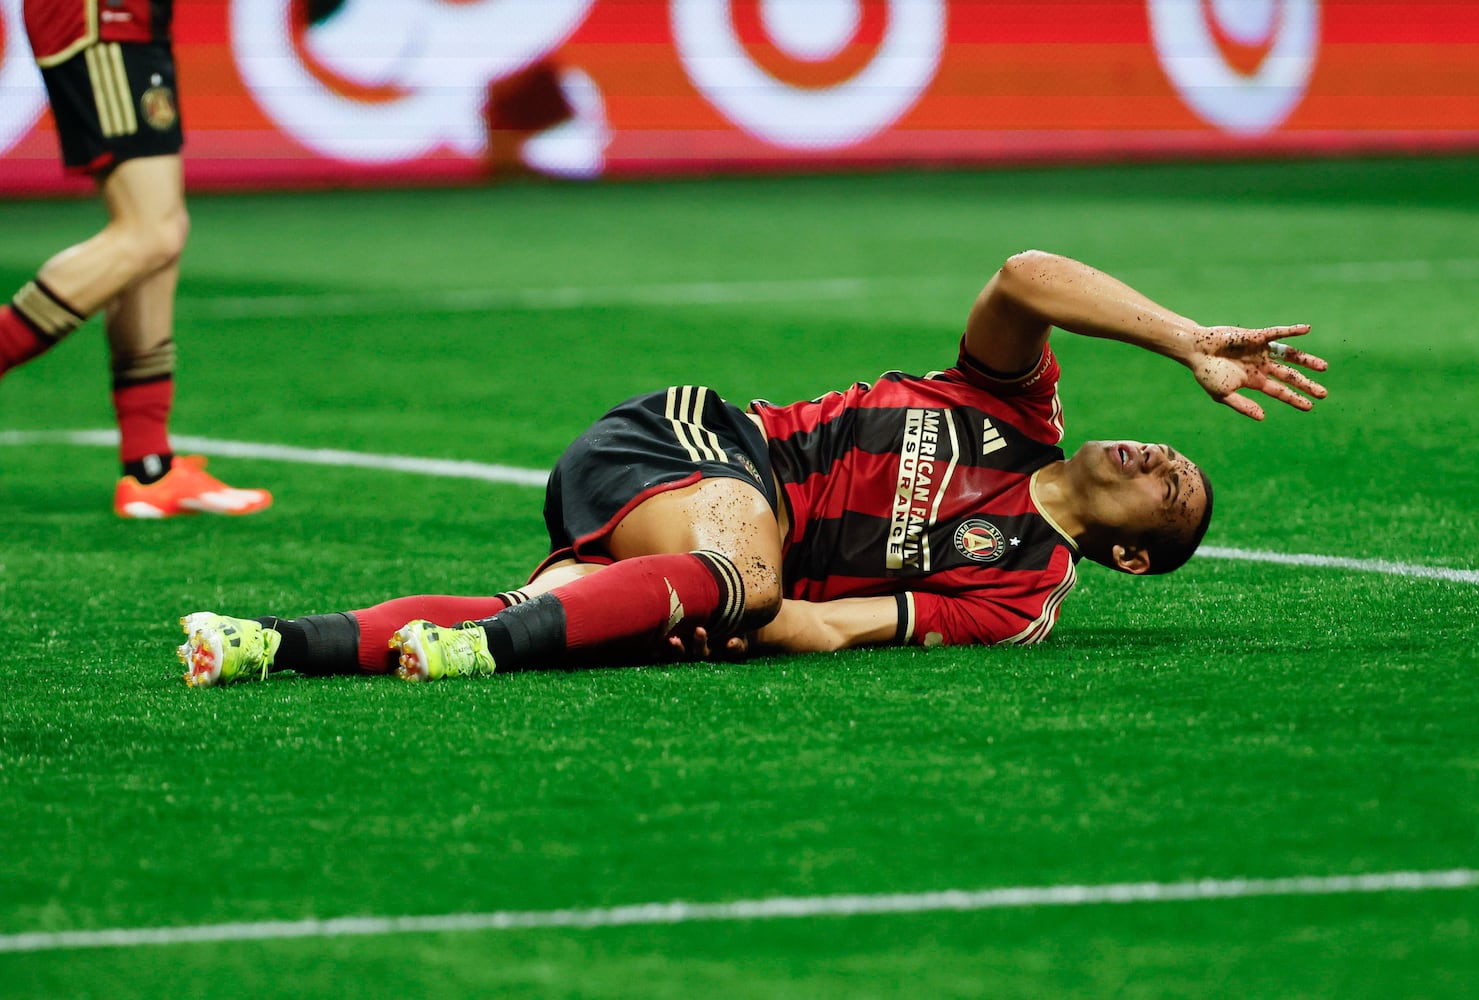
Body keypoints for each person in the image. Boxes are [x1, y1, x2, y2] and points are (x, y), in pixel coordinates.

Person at [176, 249, 1328, 686]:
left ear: (1129, 556)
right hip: (695, 442)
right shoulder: (1016, 406)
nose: (1158, 454)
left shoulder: (1017, 595)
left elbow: (833, 629)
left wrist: (708, 623)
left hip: (693, 551)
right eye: (1171, 449)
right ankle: (489, 652)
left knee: (567, 608)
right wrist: (1186, 338)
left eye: (1170, 485)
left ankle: (271, 641)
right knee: (743, 577)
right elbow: (1025, 275)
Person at [0, 0, 271, 518]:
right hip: (104, 16)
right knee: (151, 232)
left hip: (131, 19)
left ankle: (151, 469)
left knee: (160, 229)